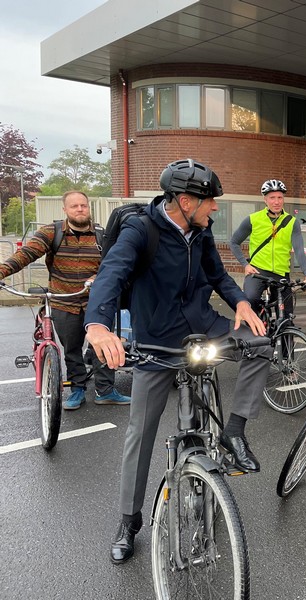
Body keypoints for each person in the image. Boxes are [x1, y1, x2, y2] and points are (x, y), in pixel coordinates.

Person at [85, 159, 271, 565]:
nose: (215, 209)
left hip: (203, 326)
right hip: (157, 343)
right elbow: (110, 275)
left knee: (260, 344)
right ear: (185, 201)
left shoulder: (200, 233)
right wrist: (98, 326)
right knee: (141, 433)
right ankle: (128, 521)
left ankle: (233, 432)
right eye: (210, 202)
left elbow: (218, 276)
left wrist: (240, 302)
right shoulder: (141, 230)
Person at [0, 190, 130, 409]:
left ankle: (106, 391)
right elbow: (26, 255)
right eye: (74, 206)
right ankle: (77, 389)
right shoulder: (52, 232)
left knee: (103, 346)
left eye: (83, 206)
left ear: (89, 208)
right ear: (65, 210)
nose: (80, 209)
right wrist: (2, 271)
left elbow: (113, 265)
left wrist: (96, 277)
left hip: (96, 302)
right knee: (71, 349)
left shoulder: (102, 235)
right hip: (63, 301)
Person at [230, 179, 306, 317]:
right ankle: (255, 332)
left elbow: (299, 250)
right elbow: (234, 242)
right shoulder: (253, 219)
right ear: (265, 200)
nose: (276, 202)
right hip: (258, 271)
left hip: (281, 274)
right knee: (250, 300)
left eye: (280, 197)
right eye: (272, 198)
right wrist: (245, 265)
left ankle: (286, 337)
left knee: (287, 315)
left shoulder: (292, 222)